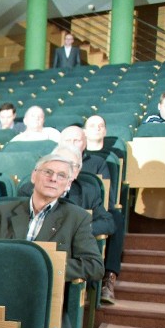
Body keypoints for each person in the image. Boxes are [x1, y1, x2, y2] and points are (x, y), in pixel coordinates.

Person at [0, 152, 104, 283]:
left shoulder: (77, 218)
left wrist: (45, 267)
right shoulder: (1, 212)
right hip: (1, 283)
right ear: (34, 176)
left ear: (68, 185)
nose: (53, 179)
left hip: (46, 291)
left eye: (61, 176)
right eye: (48, 172)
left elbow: (94, 266)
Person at [60, 125, 125, 304]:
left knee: (116, 216)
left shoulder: (94, 172)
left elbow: (107, 209)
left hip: (81, 236)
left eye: (77, 140)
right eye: (68, 140)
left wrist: (79, 229)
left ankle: (108, 277)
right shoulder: (40, 181)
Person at [17, 145, 114, 239]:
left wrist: (78, 230)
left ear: (77, 171)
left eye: (72, 165)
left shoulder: (88, 192)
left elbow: (107, 222)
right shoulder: (29, 190)